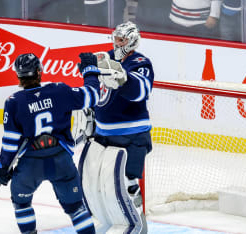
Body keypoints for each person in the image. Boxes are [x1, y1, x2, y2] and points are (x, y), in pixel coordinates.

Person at [0, 52, 100, 234]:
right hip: (61, 161)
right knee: (76, 208)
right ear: (39, 71)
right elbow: (92, 96)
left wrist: (2, 167)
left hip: (30, 165)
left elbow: (10, 142)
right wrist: (90, 71)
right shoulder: (59, 91)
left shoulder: (13, 102)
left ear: (18, 75)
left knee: (21, 203)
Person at [76, 21, 154, 234]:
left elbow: (142, 91)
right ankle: (109, 219)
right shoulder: (105, 57)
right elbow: (95, 89)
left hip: (132, 135)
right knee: (98, 182)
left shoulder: (140, 62)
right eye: (116, 38)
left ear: (132, 41)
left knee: (128, 184)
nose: (117, 42)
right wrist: (88, 70)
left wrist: (124, 80)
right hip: (103, 134)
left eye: (122, 39)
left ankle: (137, 224)